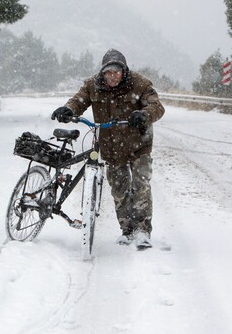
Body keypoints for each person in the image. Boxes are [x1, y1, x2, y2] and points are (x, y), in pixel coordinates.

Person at [51, 48, 165, 250]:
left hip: (139, 145)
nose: (113, 77)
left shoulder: (140, 84)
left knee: (140, 187)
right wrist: (68, 109)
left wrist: (144, 115)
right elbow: (79, 100)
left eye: (117, 72)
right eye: (108, 73)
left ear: (124, 71)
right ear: (102, 73)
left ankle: (142, 232)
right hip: (112, 146)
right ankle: (127, 231)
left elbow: (156, 107)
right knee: (119, 190)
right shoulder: (92, 85)